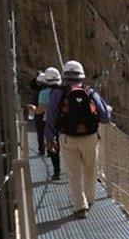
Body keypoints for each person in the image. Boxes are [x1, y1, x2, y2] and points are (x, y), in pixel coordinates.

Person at [45, 60, 112, 219]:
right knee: (90, 170)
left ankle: (80, 206)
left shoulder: (57, 94)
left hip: (67, 138)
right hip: (89, 138)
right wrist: (108, 110)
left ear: (65, 76)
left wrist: (50, 139)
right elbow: (104, 117)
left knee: (74, 174)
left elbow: (50, 118)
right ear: (81, 76)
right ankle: (89, 199)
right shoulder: (90, 92)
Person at [27, 67, 62, 179]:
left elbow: (41, 109)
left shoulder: (44, 93)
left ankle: (57, 172)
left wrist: (33, 109)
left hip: (50, 122)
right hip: (63, 123)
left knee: (52, 146)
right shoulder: (63, 91)